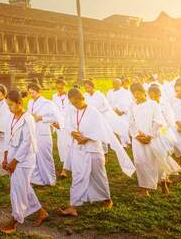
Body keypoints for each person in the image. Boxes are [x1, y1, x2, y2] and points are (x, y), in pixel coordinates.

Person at [58, 88, 135, 217]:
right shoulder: (73, 111)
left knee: (98, 176)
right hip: (78, 148)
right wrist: (73, 132)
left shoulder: (93, 112)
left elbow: (101, 130)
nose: (75, 105)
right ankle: (73, 206)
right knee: (77, 176)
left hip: (93, 149)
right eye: (72, 103)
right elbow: (68, 124)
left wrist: (86, 137)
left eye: (76, 102)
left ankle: (107, 199)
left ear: (82, 98)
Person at [0, 89, 48, 233]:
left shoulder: (28, 119)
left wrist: (15, 161)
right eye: (7, 106)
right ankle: (41, 212)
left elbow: (27, 142)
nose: (9, 108)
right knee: (23, 187)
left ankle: (15, 220)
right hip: (13, 156)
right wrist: (6, 157)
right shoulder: (11, 117)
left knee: (17, 189)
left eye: (11, 105)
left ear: (19, 103)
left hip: (25, 160)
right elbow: (8, 138)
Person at [129, 83, 180, 197]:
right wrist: (137, 135)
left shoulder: (152, 104)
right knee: (140, 162)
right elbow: (130, 122)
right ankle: (144, 190)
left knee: (156, 160)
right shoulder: (132, 106)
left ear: (143, 92)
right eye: (134, 93)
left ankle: (163, 183)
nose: (136, 95)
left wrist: (150, 136)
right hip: (138, 140)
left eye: (138, 92)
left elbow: (158, 121)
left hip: (153, 138)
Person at [26, 82, 62, 186]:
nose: (31, 95)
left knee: (45, 155)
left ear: (39, 92)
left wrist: (41, 118)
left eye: (33, 93)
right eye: (30, 93)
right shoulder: (30, 102)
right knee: (34, 156)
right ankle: (36, 179)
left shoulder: (48, 103)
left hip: (43, 132)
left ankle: (50, 179)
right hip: (33, 131)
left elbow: (55, 118)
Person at [52, 77, 71, 178]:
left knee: (69, 145)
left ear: (65, 87)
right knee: (62, 145)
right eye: (57, 88)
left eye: (61, 88)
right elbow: (54, 110)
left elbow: (72, 111)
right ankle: (66, 165)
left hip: (69, 124)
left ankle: (65, 170)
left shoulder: (70, 96)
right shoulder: (54, 96)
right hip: (59, 125)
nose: (59, 90)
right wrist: (55, 123)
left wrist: (64, 124)